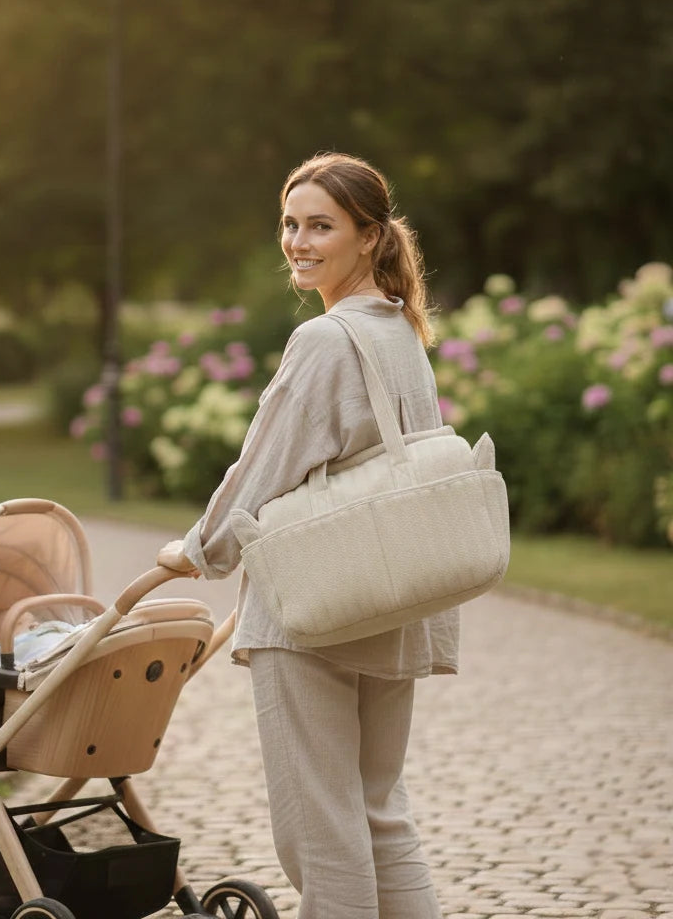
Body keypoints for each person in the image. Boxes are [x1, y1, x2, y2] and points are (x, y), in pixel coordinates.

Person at [158, 151, 453, 919]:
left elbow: (265, 466)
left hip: (314, 605)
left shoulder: (326, 340)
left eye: (321, 226)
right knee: (380, 813)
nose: (298, 241)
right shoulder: (401, 331)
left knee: (320, 831)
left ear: (369, 236)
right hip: (390, 592)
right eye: (290, 224)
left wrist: (198, 550)